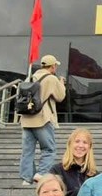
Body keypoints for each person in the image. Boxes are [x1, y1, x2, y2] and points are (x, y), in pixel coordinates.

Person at [18, 55, 68, 185]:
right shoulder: (51, 78)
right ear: (53, 66)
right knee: (49, 149)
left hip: (26, 119)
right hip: (42, 119)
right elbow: (60, 96)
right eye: (55, 66)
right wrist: (61, 84)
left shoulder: (30, 78)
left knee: (27, 151)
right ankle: (41, 173)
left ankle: (26, 178)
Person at [48, 127, 98, 196]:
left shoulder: (95, 175)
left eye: (85, 142)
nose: (80, 145)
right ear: (70, 144)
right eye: (77, 141)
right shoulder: (56, 170)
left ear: (89, 147)